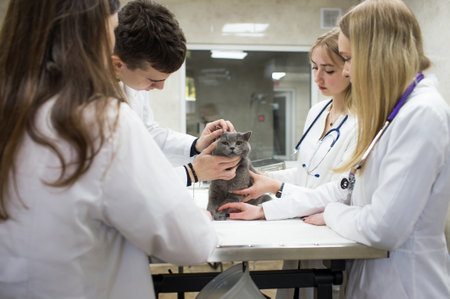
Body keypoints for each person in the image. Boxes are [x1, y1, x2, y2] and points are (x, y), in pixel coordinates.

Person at [220, 0, 450, 298]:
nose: (347, 72)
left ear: (377, 54)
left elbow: (385, 228)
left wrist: (332, 214)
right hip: (370, 277)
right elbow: (344, 187)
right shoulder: (393, 112)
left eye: (348, 59)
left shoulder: (422, 114)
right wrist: (266, 209)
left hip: (405, 284)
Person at [0, 1, 217, 299]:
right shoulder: (101, 119)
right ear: (90, 32)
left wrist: (194, 145)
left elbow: (146, 134)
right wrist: (198, 208)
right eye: (114, 27)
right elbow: (190, 243)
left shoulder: (14, 106)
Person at [112, 0, 240, 186]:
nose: (160, 87)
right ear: (118, 65)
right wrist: (191, 173)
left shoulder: (131, 82)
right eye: (153, 80)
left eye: (165, 79)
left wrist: (197, 145)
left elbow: (147, 133)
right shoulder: (89, 99)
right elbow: (121, 183)